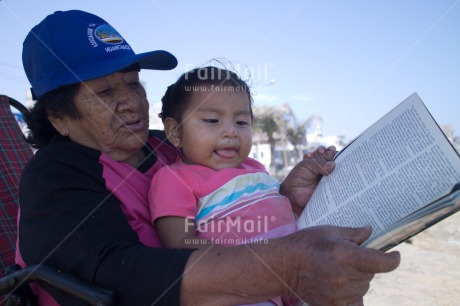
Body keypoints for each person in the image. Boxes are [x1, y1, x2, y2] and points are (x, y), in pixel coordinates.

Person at [15, 9, 400, 306]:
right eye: (103, 93)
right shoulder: (53, 176)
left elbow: (234, 203)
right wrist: (285, 264)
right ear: (59, 116)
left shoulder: (167, 146)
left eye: (133, 83)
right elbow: (112, 276)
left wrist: (288, 195)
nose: (131, 103)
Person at [149, 66, 297, 253]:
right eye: (212, 120)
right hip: (251, 275)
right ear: (175, 131)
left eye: (242, 122)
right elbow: (179, 243)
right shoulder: (174, 179)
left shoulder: (254, 167)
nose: (231, 131)